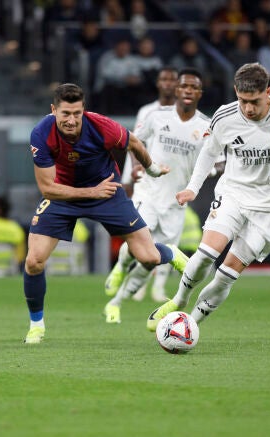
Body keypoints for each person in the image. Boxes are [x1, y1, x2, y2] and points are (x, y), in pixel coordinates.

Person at [146, 62, 270, 330]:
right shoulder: (225, 116)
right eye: (243, 101)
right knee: (207, 252)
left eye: (254, 101)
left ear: (268, 92)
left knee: (226, 274)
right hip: (234, 194)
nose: (248, 108)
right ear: (235, 92)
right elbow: (209, 151)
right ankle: (180, 299)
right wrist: (193, 188)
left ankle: (189, 325)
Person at [23, 82, 188, 344]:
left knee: (148, 257)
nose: (71, 120)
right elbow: (47, 189)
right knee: (34, 261)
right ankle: (36, 326)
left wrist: (152, 168)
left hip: (107, 191)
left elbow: (133, 141)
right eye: (65, 113)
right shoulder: (41, 134)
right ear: (54, 110)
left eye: (77, 113)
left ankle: (170, 252)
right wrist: (91, 193)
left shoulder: (100, 125)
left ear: (83, 110)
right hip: (63, 195)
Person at [102, 68, 210, 322]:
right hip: (148, 192)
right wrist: (139, 166)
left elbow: (217, 161)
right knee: (140, 243)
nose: (188, 91)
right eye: (184, 86)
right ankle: (119, 267)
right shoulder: (156, 116)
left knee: (151, 260)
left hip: (176, 201)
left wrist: (207, 173)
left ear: (199, 93)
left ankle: (115, 303)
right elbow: (133, 141)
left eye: (194, 87)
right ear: (177, 89)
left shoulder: (206, 126)